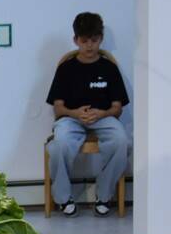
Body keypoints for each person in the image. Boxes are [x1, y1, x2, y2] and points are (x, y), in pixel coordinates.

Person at [45, 12, 130, 217]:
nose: (89, 46)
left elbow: (117, 108)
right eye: (84, 41)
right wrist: (75, 113)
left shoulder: (109, 68)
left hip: (104, 117)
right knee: (59, 144)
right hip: (71, 119)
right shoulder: (66, 68)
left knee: (121, 141)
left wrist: (102, 113)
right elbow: (58, 108)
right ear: (75, 40)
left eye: (94, 40)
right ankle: (64, 198)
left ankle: (104, 195)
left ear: (101, 39)